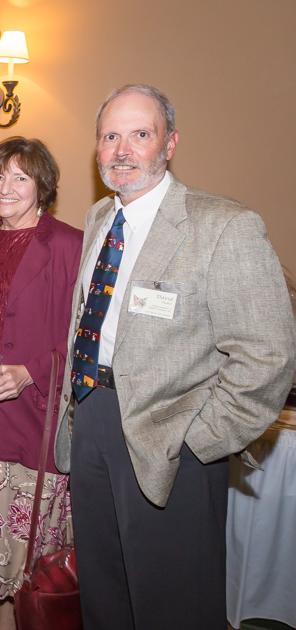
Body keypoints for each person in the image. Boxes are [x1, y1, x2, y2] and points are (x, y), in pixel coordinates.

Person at [53, 84, 296, 629]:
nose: (122, 151)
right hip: (91, 419)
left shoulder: (223, 226)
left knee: (173, 604)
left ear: (170, 144)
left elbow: (269, 355)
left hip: (172, 438)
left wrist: (197, 441)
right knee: (104, 592)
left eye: (140, 135)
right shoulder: (100, 217)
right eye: (110, 137)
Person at [0, 137, 81, 630]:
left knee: (32, 544)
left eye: (20, 177)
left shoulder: (69, 245)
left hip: (35, 414)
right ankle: (6, 619)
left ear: (42, 186)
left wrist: (32, 372)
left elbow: (91, 336)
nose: (5, 187)